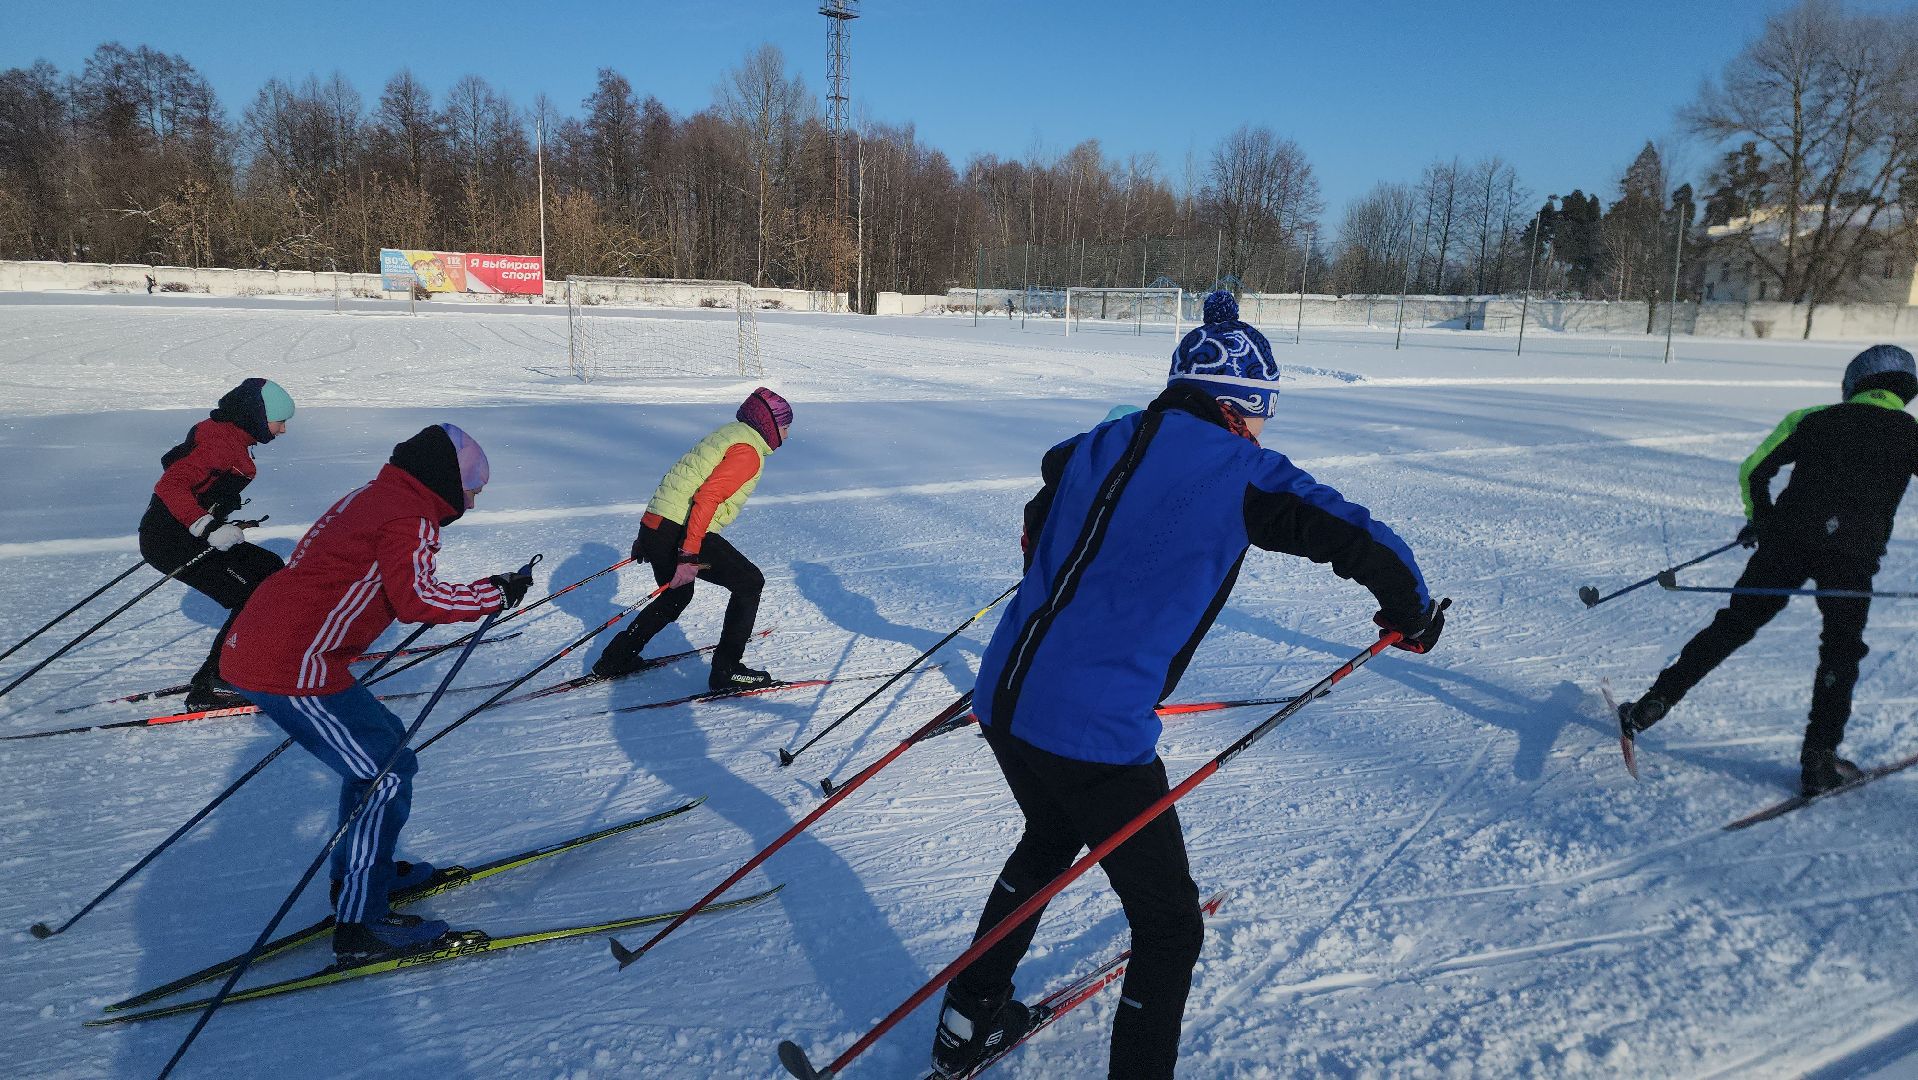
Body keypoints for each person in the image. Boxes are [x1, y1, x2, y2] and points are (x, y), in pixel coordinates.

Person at [931, 291, 1441, 1079]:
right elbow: (1356, 533)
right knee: (1169, 927)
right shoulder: (1241, 469)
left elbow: (1041, 504)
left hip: (1003, 696)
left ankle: (967, 1020)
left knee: (1047, 837)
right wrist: (1410, 610)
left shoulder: (1099, 442)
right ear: (1242, 409)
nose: (1266, 430)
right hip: (1093, 732)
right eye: (1265, 414)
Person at [219, 424, 532, 962]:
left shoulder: (377, 494)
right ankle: (361, 924)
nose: (474, 501)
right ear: (445, 478)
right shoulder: (409, 515)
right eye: (473, 486)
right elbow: (418, 600)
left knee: (385, 752)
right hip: (292, 664)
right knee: (383, 774)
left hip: (284, 650)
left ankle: (369, 876)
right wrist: (493, 594)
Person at [1614, 344, 1918, 797]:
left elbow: (1754, 469)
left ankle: (1652, 704)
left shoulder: (1813, 418)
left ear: (1854, 383)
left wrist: (1763, 518)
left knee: (1735, 625)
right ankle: (1818, 762)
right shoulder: (1911, 434)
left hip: (1786, 545)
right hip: (1852, 558)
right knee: (1840, 651)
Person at [591, 387, 792, 691]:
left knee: (676, 596)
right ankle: (727, 671)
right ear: (770, 424)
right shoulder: (747, 450)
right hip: (682, 531)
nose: (787, 436)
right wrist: (687, 555)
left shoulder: (726, 435)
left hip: (659, 525)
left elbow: (678, 480)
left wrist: (647, 533)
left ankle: (614, 659)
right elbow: (707, 497)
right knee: (749, 583)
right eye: (785, 427)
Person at [138, 378, 296, 710]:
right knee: (253, 591)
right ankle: (217, 684)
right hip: (172, 538)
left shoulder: (232, 436)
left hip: (184, 532)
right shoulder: (219, 442)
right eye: (279, 420)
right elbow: (171, 484)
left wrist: (220, 519)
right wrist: (207, 525)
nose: (282, 430)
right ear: (257, 414)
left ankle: (253, 660)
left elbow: (201, 487)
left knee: (268, 570)